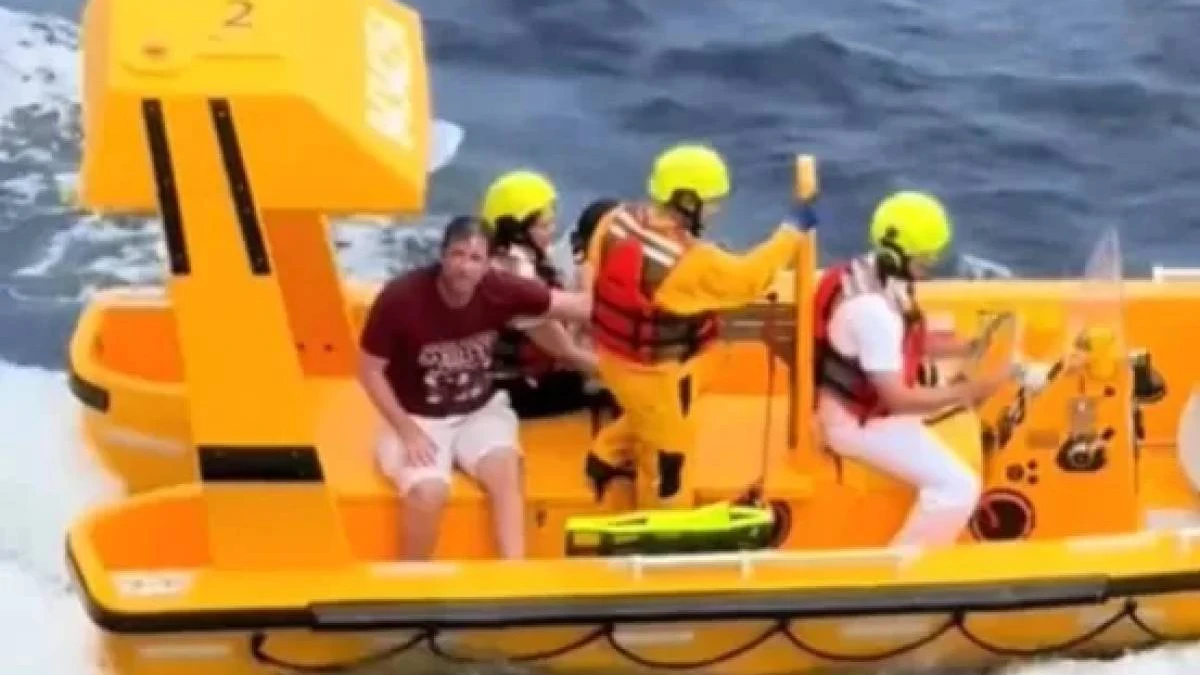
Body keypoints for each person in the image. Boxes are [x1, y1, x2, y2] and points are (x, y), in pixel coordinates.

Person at [357, 215, 591, 560]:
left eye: (475, 258)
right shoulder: (400, 300)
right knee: (428, 492)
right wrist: (406, 430)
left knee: (506, 471)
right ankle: (411, 580)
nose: (464, 267)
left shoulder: (500, 289)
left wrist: (597, 265)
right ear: (442, 255)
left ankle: (514, 572)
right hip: (416, 416)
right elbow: (369, 371)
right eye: (457, 255)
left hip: (477, 411)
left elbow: (577, 306)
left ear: (487, 264)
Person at [583, 142, 802, 509]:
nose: (717, 210)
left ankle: (605, 455)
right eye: (712, 201)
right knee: (669, 456)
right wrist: (792, 232)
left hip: (611, 356)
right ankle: (664, 520)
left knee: (649, 414)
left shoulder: (614, 221)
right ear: (686, 201)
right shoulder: (691, 263)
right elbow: (749, 279)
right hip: (655, 374)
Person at [813, 191, 1018, 548]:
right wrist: (970, 392)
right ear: (900, 256)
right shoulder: (874, 313)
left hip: (859, 403)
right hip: (854, 424)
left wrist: (967, 348)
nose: (930, 266)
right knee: (957, 487)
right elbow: (898, 399)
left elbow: (902, 344)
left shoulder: (868, 274)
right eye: (925, 259)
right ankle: (903, 566)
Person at [480, 169, 597, 418]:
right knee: (608, 388)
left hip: (511, 377)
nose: (553, 231)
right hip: (514, 391)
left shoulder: (499, 259)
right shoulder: (517, 276)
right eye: (545, 226)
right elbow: (567, 353)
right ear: (516, 231)